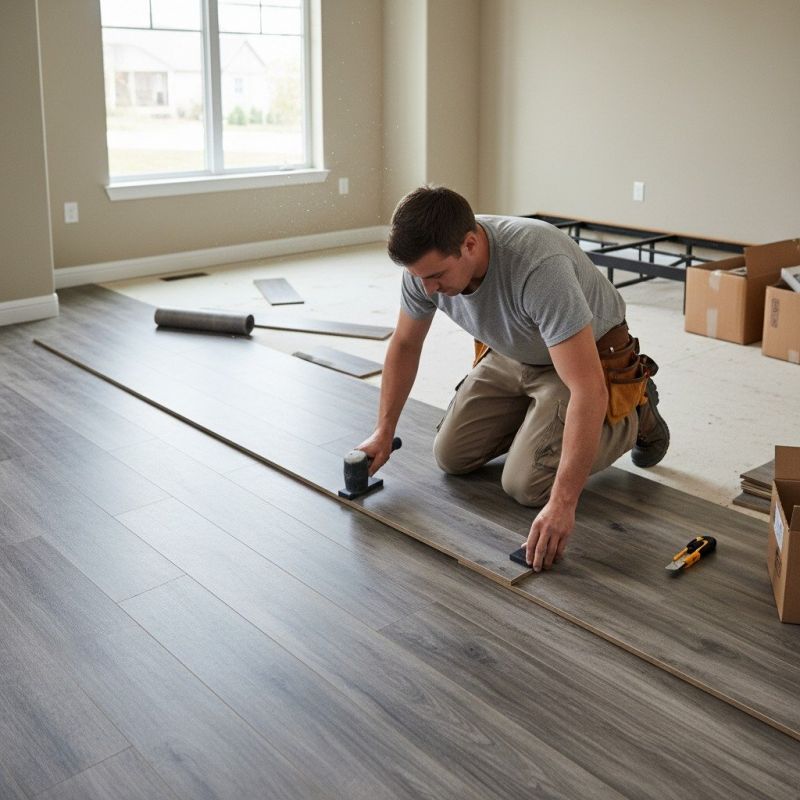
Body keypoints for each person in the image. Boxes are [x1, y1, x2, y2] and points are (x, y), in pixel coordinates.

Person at [357, 186, 669, 572]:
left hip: (586, 359)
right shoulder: (424, 273)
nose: (428, 290)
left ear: (470, 244)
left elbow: (586, 389)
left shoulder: (537, 264)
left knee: (527, 485)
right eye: (418, 278)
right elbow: (405, 345)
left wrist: (562, 504)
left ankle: (637, 412)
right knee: (451, 456)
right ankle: (540, 422)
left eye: (436, 276)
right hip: (513, 350)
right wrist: (383, 430)